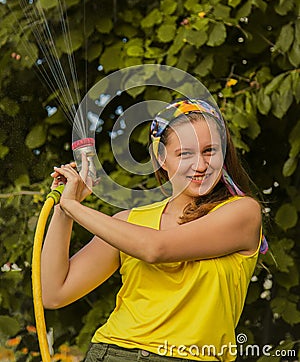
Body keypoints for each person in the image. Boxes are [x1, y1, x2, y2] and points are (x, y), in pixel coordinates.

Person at [41, 98, 267, 362]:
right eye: (185, 153)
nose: (201, 165)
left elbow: (156, 249)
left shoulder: (242, 213)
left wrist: (74, 208)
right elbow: (54, 293)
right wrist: (63, 209)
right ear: (161, 158)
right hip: (112, 353)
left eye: (210, 151)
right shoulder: (128, 222)